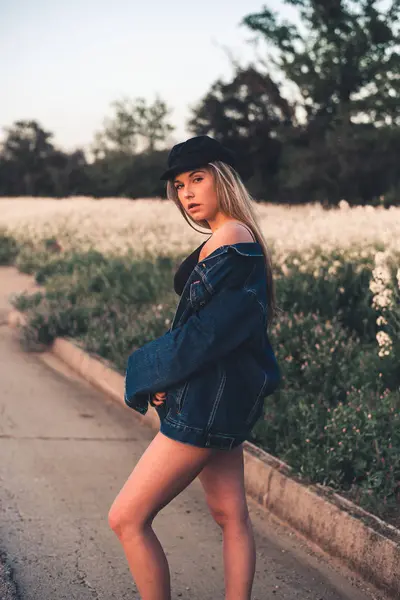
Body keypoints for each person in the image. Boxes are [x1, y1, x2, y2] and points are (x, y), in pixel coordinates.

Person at [108, 135, 281, 600]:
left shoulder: (232, 242)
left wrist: (150, 372)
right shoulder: (238, 240)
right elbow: (207, 335)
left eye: (197, 179)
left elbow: (206, 336)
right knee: (231, 515)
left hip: (206, 402)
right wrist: (171, 376)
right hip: (216, 396)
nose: (186, 192)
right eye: (180, 184)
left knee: (126, 518)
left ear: (223, 179)